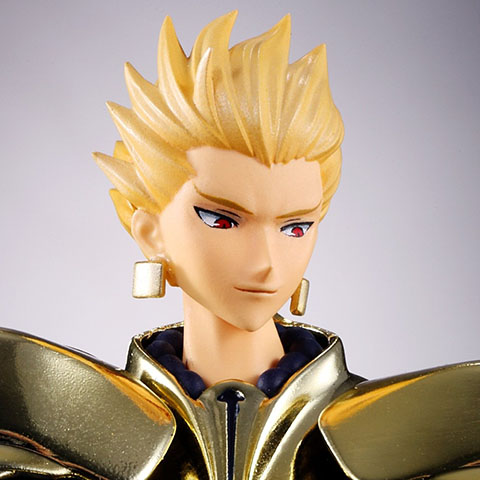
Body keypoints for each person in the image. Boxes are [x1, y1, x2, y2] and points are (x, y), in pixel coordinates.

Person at [0, 12, 478, 480]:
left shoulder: (397, 430)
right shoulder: (68, 422)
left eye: (295, 227)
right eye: (222, 220)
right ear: (151, 233)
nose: (266, 263)